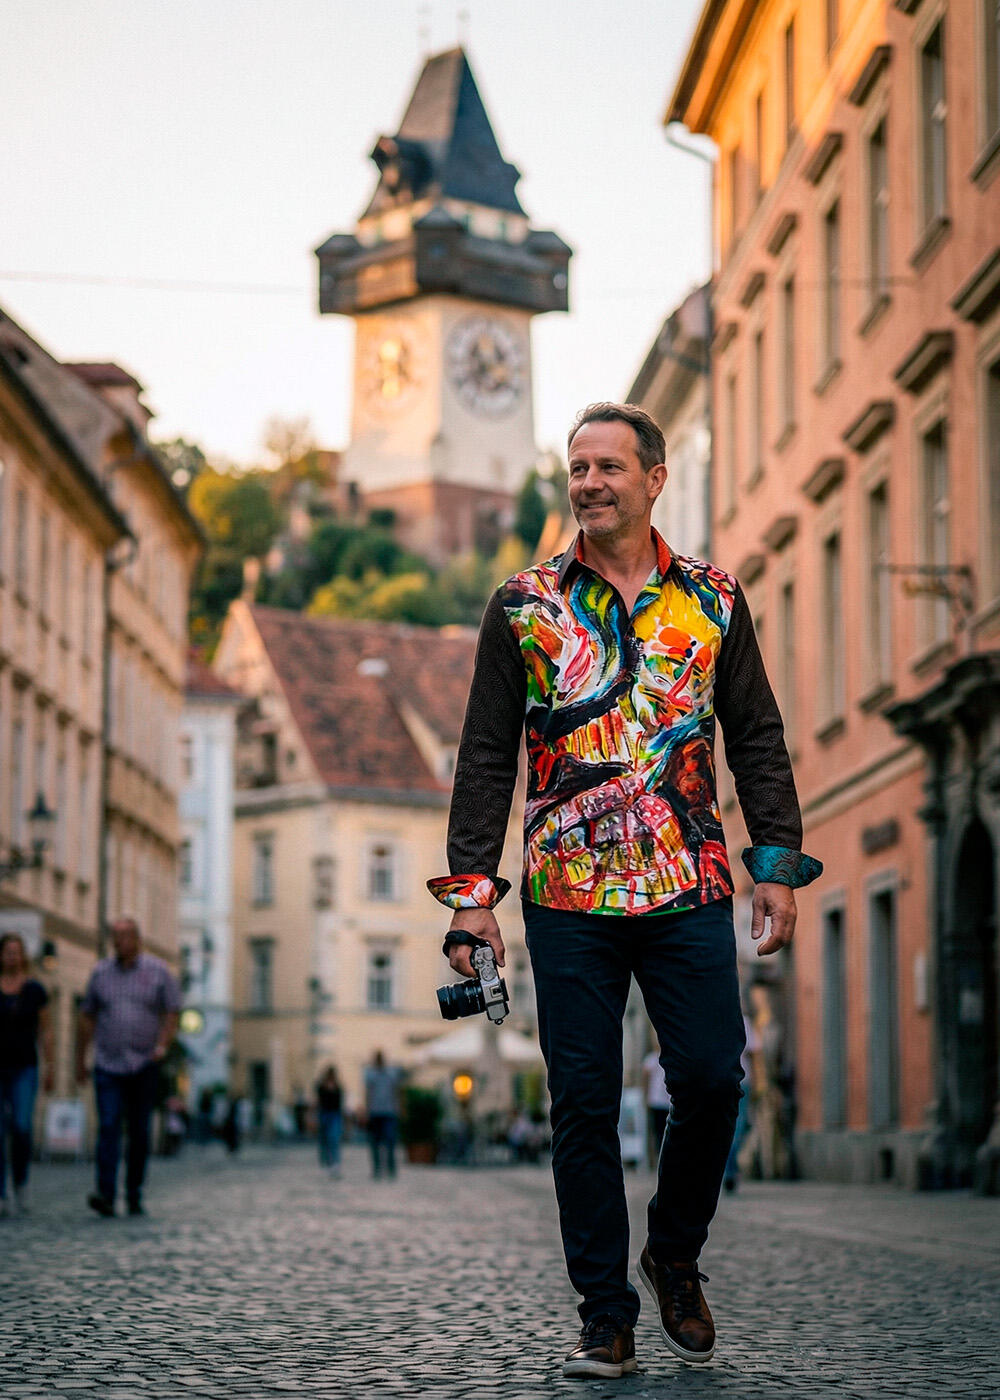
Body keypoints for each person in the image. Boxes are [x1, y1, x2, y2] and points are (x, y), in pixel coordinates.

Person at [428, 403, 822, 1379]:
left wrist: (774, 861)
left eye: (609, 465)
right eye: (576, 467)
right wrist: (473, 895)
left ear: (653, 479)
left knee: (709, 1079)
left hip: (689, 882)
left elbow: (757, 734)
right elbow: (484, 756)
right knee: (584, 1103)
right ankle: (605, 1310)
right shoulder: (523, 604)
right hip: (565, 894)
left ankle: (673, 1251)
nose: (590, 481)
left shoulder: (714, 598)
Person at [76, 917, 181, 1217]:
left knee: (139, 1130)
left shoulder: (158, 971)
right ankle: (106, 1193)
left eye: (124, 936)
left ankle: (134, 1192)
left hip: (144, 1063)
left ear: (137, 939)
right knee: (108, 1125)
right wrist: (82, 1059)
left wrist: (162, 1045)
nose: (118, 941)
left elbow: (172, 1010)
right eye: (114, 936)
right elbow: (87, 1016)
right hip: (108, 1063)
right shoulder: (100, 973)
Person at [0, 932, 54, 1216]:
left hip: (25, 1067)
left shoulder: (35, 990)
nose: (12, 956)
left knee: (21, 1126)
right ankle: (1, 1195)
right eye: (7, 951)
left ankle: (21, 1182)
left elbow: (46, 1030)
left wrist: (51, 1066)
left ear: (23, 956)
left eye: (16, 951)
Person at [363, 1049, 401, 1179]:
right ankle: (377, 1169)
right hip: (375, 1112)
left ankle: (390, 1168)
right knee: (375, 1143)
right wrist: (367, 1111)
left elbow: (396, 1092)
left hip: (388, 1112)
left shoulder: (391, 1074)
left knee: (390, 1141)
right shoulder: (371, 1075)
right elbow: (368, 1093)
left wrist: (398, 1108)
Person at [641, 1046, 672, 1171]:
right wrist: (645, 1096)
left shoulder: (670, 1056)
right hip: (656, 1101)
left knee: (668, 1131)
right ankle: (660, 1157)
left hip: (669, 1101)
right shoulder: (652, 1059)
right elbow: (645, 1077)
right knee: (658, 1131)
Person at [315, 1064, 343, 1176]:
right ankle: (328, 1161)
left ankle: (335, 1163)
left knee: (334, 1139)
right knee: (325, 1140)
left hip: (334, 1115)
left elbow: (339, 1103)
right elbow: (319, 1101)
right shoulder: (321, 1087)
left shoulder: (338, 1087)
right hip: (325, 1115)